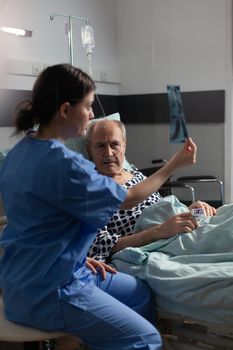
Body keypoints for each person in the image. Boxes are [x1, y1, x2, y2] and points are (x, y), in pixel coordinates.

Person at [0, 64, 197, 350]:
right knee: (146, 338)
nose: (92, 114)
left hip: (28, 277)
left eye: (114, 145)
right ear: (66, 110)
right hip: (51, 290)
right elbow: (126, 199)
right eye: (89, 106)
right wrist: (172, 167)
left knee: (139, 293)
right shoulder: (66, 165)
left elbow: (39, 223)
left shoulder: (18, 155)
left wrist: (74, 255)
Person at [87, 119, 216, 262]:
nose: (109, 153)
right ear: (90, 151)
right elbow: (100, 245)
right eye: (100, 146)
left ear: (124, 145)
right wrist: (158, 232)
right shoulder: (91, 190)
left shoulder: (138, 176)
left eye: (114, 144)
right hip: (160, 245)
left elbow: (163, 210)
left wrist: (191, 212)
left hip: (182, 230)